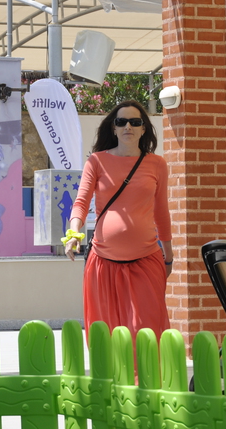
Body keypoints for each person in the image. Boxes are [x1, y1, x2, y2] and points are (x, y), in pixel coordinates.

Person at [64, 100, 174, 344]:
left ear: (143, 128)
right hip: (103, 263)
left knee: (145, 333)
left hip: (146, 260)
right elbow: (81, 203)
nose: (128, 127)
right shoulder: (96, 161)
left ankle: (143, 371)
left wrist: (168, 255)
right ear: (113, 128)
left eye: (135, 122)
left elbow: (161, 212)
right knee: (107, 333)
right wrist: (73, 233)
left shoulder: (157, 164)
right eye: (121, 122)